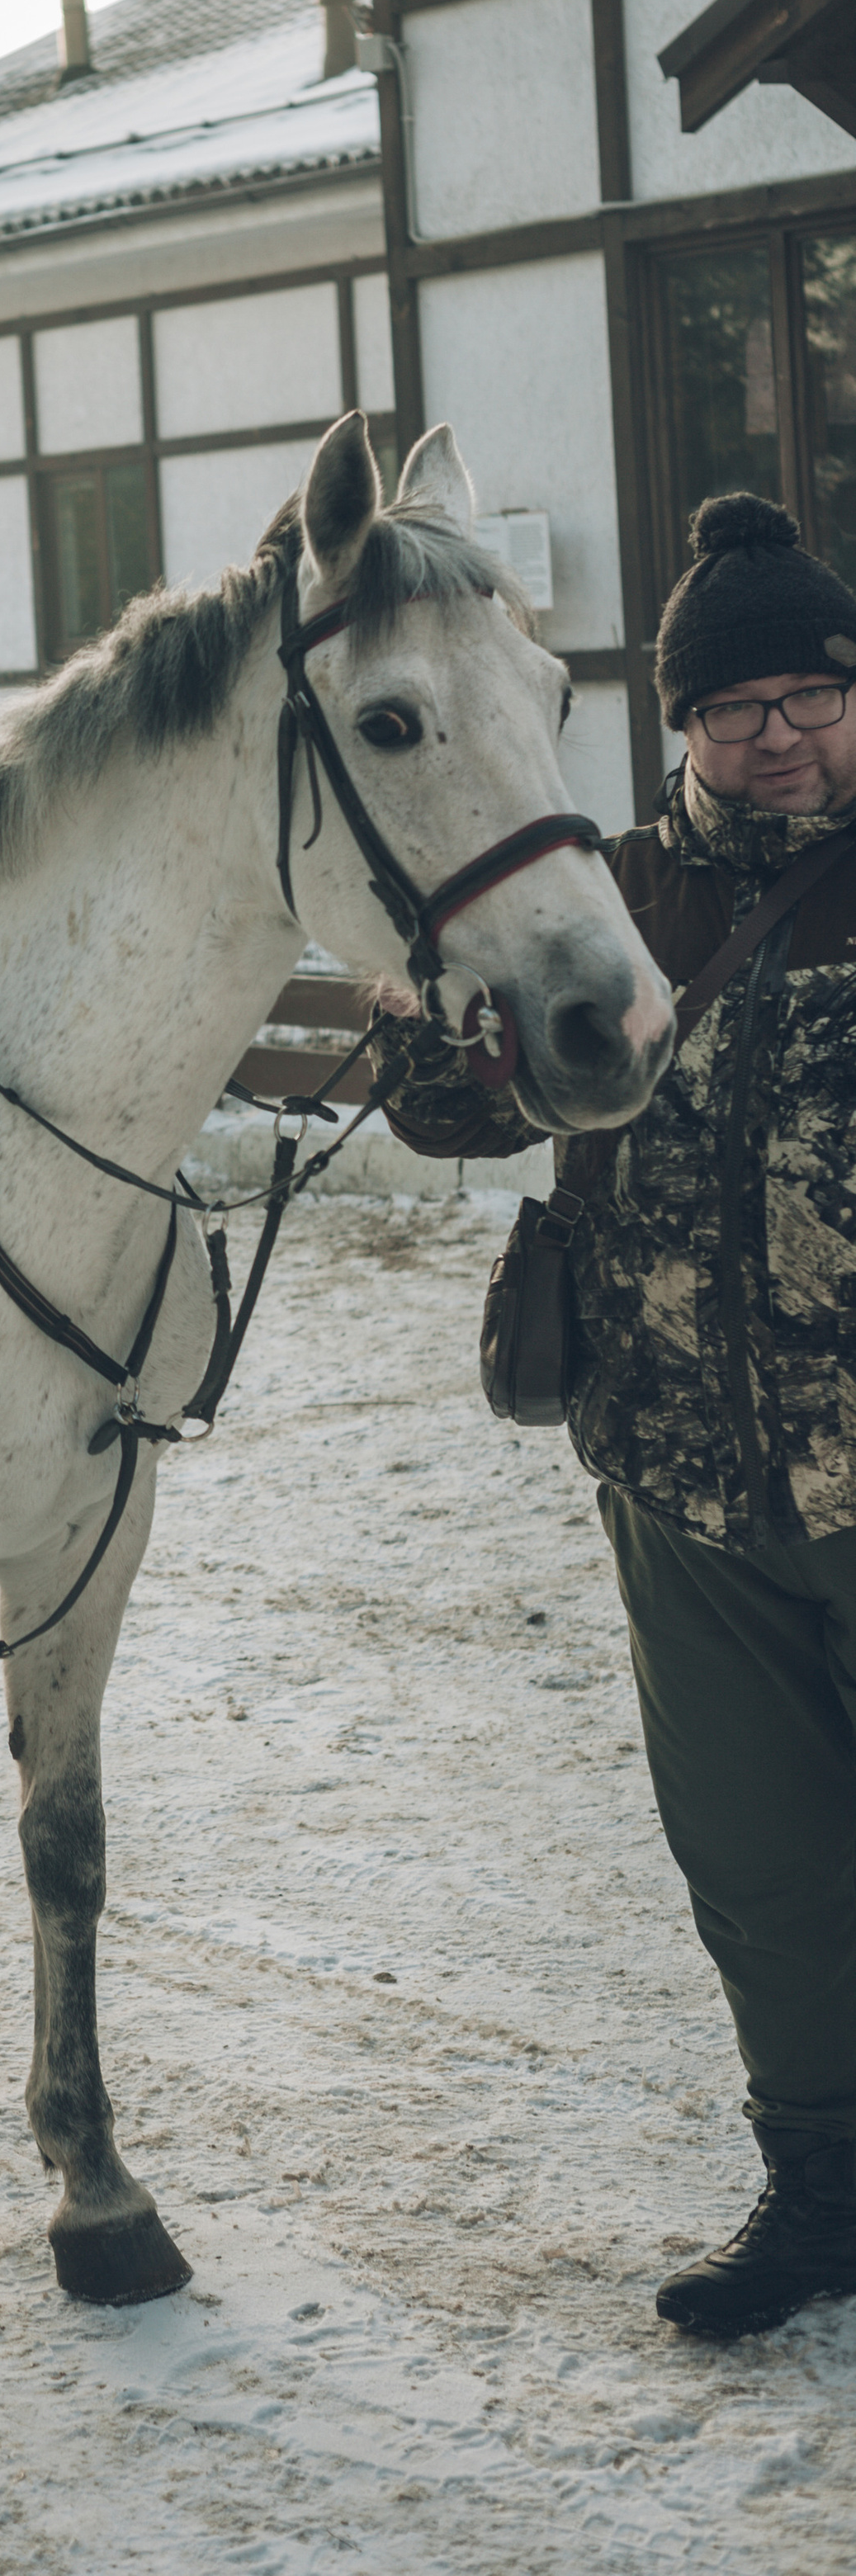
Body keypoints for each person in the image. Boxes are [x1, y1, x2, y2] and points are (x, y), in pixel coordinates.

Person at [373, 489, 856, 2338]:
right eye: (733, 709)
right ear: (681, 732)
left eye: (811, 694)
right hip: (681, 1483)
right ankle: (815, 2198)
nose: (777, 734)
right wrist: (440, 1038)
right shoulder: (612, 897)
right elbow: (463, 1121)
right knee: (757, 1867)